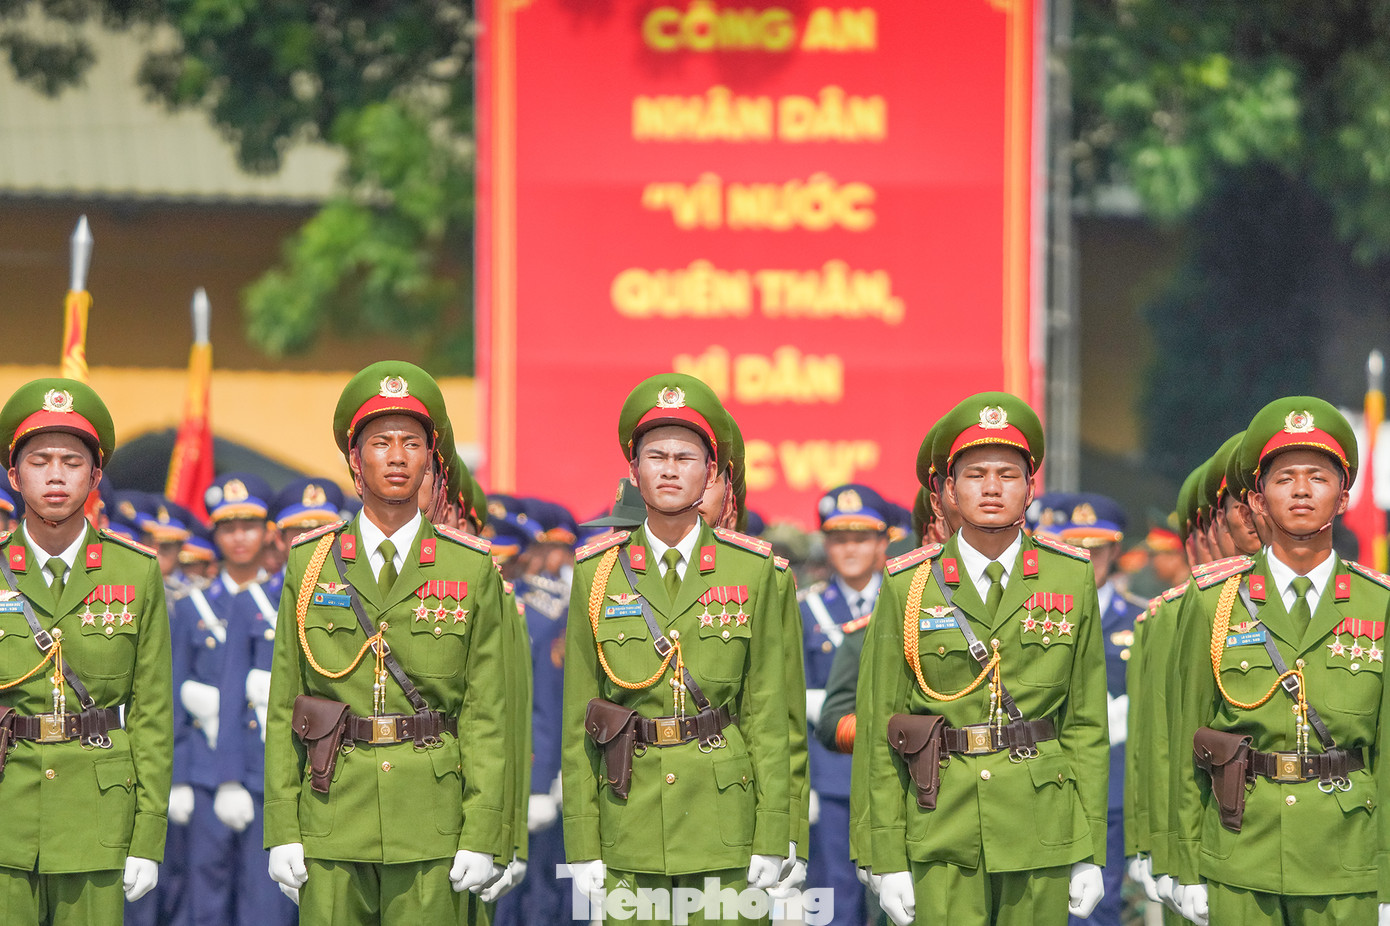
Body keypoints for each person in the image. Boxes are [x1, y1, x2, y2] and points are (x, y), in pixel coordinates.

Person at [263, 360, 512, 925]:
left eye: (411, 443)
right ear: (355, 460)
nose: (397, 457)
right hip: (332, 810)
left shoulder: (470, 568)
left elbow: (486, 715)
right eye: (380, 443)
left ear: (430, 459)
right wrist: (282, 827)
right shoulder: (311, 562)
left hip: (433, 818)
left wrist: (483, 831)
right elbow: (285, 705)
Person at [860, 392, 1108, 926]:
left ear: (1031, 489)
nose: (992, 488)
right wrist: (885, 854)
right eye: (975, 475)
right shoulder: (908, 583)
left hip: (1043, 821)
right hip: (941, 821)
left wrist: (1090, 848)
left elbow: (1086, 725)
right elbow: (881, 728)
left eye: (1007, 474)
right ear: (949, 490)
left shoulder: (1071, 576)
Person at [561, 372, 791, 923]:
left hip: (725, 819)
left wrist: (776, 834)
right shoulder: (596, 573)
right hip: (628, 818)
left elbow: (769, 718)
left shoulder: (753, 571)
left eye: (685, 458)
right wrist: (582, 843)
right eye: (656, 456)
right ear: (633, 471)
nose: (669, 469)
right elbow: (578, 721)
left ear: (710, 473)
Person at [1168, 398, 1390, 926]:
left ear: (1343, 497)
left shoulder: (1379, 603)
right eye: (1285, 478)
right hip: (1241, 850)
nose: (1301, 490)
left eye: (1318, 477)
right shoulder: (1215, 601)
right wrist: (1184, 865)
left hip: (1347, 855)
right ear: (1257, 499)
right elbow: (1184, 743)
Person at [0, 378, 171, 924]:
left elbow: (151, 716)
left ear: (95, 477)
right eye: (39, 461)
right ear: (13, 475)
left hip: (99, 814)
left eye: (72, 462)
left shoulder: (136, 573)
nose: (55, 475)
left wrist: (148, 835)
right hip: (6, 811)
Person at [1041, 493, 1145, 926]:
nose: (1087, 556)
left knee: (1099, 908)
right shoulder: (1039, 614)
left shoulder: (1141, 619)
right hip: (1046, 777)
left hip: (1112, 782)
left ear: (1114, 550)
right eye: (1076, 546)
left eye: (1097, 547)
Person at [801, 484, 892, 926]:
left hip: (897, 770)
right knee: (835, 895)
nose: (850, 549)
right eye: (839, 539)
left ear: (882, 543)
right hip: (832, 773)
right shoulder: (806, 609)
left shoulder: (904, 603)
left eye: (861, 538)